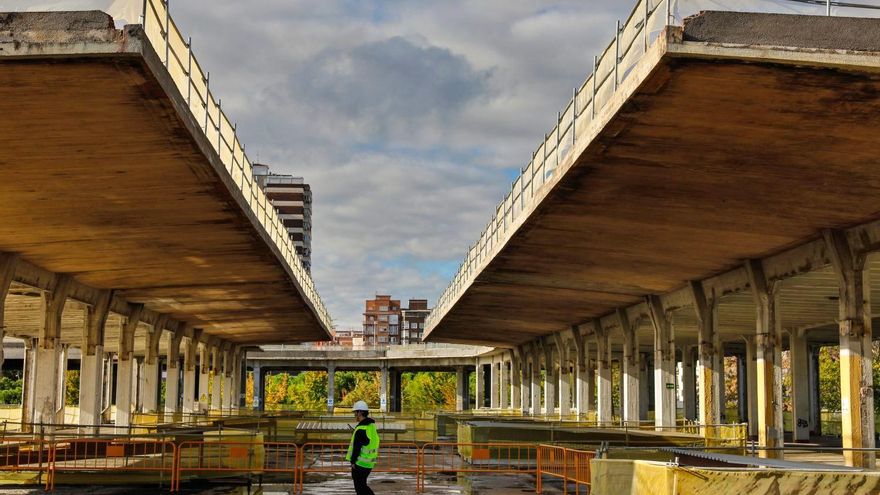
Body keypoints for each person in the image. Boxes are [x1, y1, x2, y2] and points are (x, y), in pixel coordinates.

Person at [345, 400, 380, 495]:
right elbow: (368, 441)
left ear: (360, 412)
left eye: (355, 412)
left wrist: (352, 461)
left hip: (360, 463)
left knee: (360, 488)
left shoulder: (361, 429)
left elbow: (356, 448)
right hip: (369, 463)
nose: (354, 415)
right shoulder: (371, 426)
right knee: (363, 486)